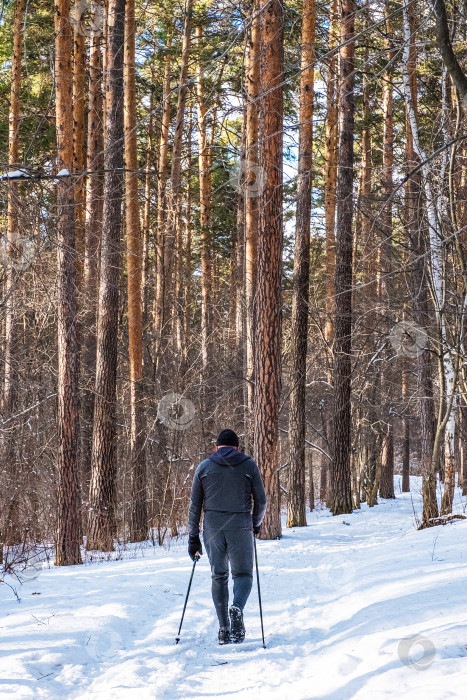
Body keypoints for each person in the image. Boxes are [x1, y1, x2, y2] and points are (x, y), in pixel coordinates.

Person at [188, 429, 267, 645]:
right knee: (243, 575)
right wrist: (255, 524)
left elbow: (195, 506)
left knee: (218, 576)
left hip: (213, 527)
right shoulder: (249, 465)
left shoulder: (204, 467)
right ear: (237, 448)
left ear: (217, 448)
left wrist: (193, 537)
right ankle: (237, 607)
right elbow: (261, 501)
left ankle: (223, 628)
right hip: (240, 526)